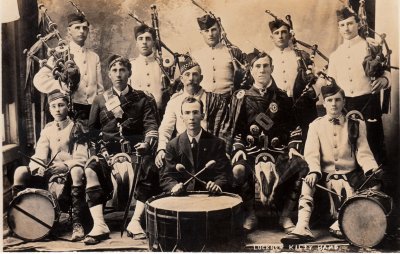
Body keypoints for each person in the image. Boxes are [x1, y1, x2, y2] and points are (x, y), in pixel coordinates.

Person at [281, 80, 380, 244]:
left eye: (337, 100)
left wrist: (371, 169)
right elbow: (311, 154)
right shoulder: (316, 126)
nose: (334, 104)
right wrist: (314, 171)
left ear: (344, 101)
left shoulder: (355, 124)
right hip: (324, 174)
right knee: (308, 181)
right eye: (329, 100)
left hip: (349, 173)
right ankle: (302, 226)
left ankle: (344, 222)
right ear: (324, 103)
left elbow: (363, 152)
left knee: (374, 184)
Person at [223, 50, 308, 232]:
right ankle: (250, 214)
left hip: (278, 152)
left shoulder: (283, 97)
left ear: (272, 68)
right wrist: (238, 148)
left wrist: (293, 147)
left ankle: (285, 216)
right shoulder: (241, 97)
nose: (262, 70)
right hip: (251, 151)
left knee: (301, 165)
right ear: (251, 70)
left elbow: (294, 128)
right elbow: (235, 130)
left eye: (265, 66)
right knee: (238, 169)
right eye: (258, 66)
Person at [83, 55, 159, 244]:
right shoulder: (100, 100)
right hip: (108, 153)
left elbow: (151, 126)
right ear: (109, 74)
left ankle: (135, 222)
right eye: (115, 70)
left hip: (135, 151)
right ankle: (99, 224)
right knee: (91, 169)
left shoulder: (142, 98)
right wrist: (100, 151)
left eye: (122, 70)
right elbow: (92, 133)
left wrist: (147, 144)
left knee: (149, 167)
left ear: (129, 73)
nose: (119, 74)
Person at [11, 90, 89, 241]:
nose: (57, 109)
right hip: (51, 171)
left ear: (68, 107)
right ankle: (17, 217)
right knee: (20, 171)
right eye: (53, 106)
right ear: (50, 109)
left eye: (61, 105)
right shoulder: (48, 130)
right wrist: (38, 165)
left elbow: (82, 157)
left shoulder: (77, 128)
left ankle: (77, 224)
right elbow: (40, 153)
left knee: (76, 171)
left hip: (71, 170)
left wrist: (66, 165)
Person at [327, 6, 391, 165]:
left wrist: (384, 80)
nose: (346, 28)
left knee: (373, 142)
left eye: (349, 23)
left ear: (358, 24)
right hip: (346, 104)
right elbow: (331, 84)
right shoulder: (335, 55)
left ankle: (376, 182)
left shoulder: (370, 47)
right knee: (349, 142)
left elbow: (386, 72)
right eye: (342, 25)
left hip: (368, 102)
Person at [33, 12, 103, 128]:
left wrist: (101, 110)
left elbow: (100, 89)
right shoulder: (61, 54)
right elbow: (38, 80)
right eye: (77, 28)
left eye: (85, 28)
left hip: (92, 111)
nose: (81, 31)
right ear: (69, 30)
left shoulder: (94, 57)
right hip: (70, 110)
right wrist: (60, 85)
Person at [160, 97, 230, 195]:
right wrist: (173, 186)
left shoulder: (217, 143)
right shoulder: (172, 145)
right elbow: (166, 176)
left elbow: (224, 174)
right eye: (187, 113)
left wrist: (217, 185)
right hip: (182, 197)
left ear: (202, 116)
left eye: (195, 112)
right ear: (182, 117)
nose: (191, 117)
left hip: (209, 196)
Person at [191, 14, 247, 137]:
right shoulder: (195, 55)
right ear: (201, 33)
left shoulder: (232, 52)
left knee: (226, 137)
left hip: (228, 102)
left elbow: (244, 77)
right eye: (206, 31)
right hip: (204, 102)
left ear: (220, 30)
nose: (210, 34)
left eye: (213, 30)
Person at [268, 17, 318, 141]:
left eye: (284, 32)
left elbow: (316, 78)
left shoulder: (302, 56)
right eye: (276, 33)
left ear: (290, 35)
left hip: (302, 105)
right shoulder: (267, 58)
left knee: (306, 139)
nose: (280, 36)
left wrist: (314, 91)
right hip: (278, 107)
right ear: (271, 37)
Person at [155, 56, 208, 169]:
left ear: (201, 78)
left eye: (195, 74)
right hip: (182, 151)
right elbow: (165, 128)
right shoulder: (174, 101)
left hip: (207, 149)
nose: (190, 78)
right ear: (181, 78)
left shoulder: (211, 99)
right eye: (187, 75)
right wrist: (162, 148)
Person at [130, 24, 169, 117]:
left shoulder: (163, 65)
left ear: (153, 42)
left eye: (148, 39)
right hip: (137, 115)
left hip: (159, 114)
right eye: (140, 39)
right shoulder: (131, 65)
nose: (144, 42)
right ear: (136, 43)